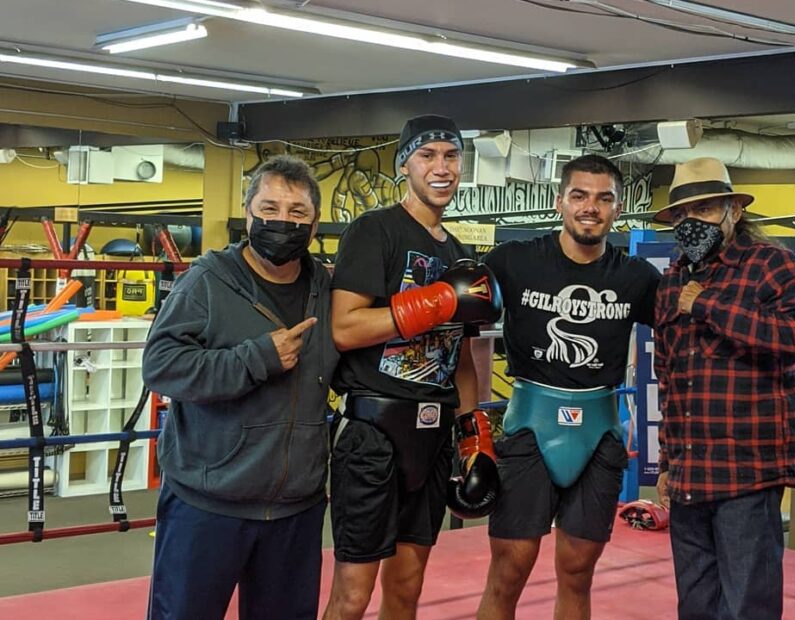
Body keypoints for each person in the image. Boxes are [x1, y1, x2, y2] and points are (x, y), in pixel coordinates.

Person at [143, 155, 339, 620]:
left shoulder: (328, 289)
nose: (281, 222)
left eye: (297, 213)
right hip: (209, 502)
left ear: (313, 226)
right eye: (269, 209)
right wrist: (256, 359)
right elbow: (161, 366)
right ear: (248, 213)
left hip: (296, 506)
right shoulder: (208, 282)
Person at [324, 114, 503, 620]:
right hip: (374, 434)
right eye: (428, 156)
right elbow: (345, 328)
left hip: (433, 435)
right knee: (353, 595)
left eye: (451, 156)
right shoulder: (373, 231)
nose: (441, 168)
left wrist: (474, 436)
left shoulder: (460, 252)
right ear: (405, 164)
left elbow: (463, 357)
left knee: (406, 588)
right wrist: (436, 302)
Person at [477, 154, 661, 620]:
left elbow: (688, 338)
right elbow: (457, 324)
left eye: (604, 198)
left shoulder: (636, 278)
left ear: (618, 209)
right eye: (579, 195)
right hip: (529, 426)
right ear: (560, 201)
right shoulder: (513, 262)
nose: (590, 207)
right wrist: (467, 421)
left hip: (599, 431)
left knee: (578, 569)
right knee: (510, 565)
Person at [651, 157, 795, 620]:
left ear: (732, 209)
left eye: (705, 210)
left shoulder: (773, 265)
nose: (693, 223)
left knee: (749, 606)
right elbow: (669, 378)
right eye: (683, 215)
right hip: (691, 472)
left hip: (749, 471)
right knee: (696, 605)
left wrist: (709, 306)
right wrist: (667, 463)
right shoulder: (672, 280)